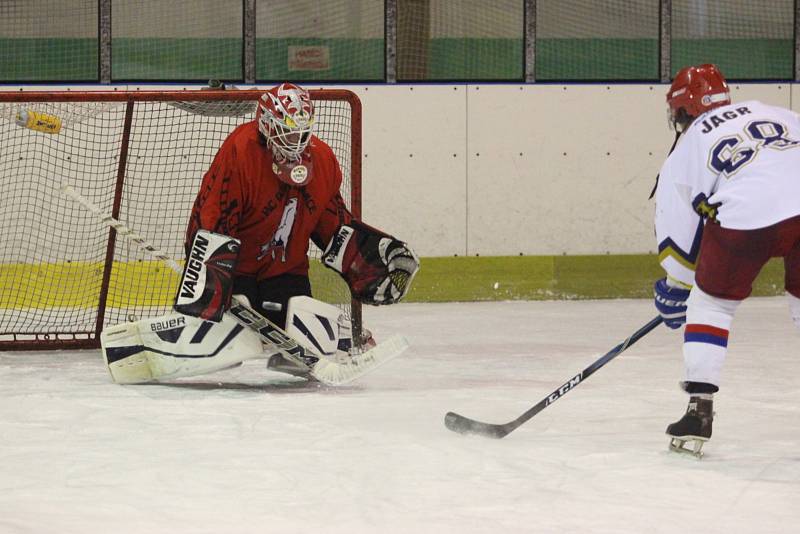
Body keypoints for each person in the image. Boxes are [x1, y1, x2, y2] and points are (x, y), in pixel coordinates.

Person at [182, 81, 419, 347]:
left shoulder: (323, 161)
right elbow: (213, 217)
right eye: (286, 132)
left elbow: (332, 224)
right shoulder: (240, 152)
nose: (294, 142)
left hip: (286, 272)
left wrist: (367, 260)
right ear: (267, 125)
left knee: (304, 331)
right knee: (231, 339)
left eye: (301, 133)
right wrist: (211, 286)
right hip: (239, 272)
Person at [652, 63, 800, 457]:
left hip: (747, 217)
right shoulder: (775, 111)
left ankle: (699, 411)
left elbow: (677, 240)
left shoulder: (687, 148)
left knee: (711, 304)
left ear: (681, 111)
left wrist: (677, 288)